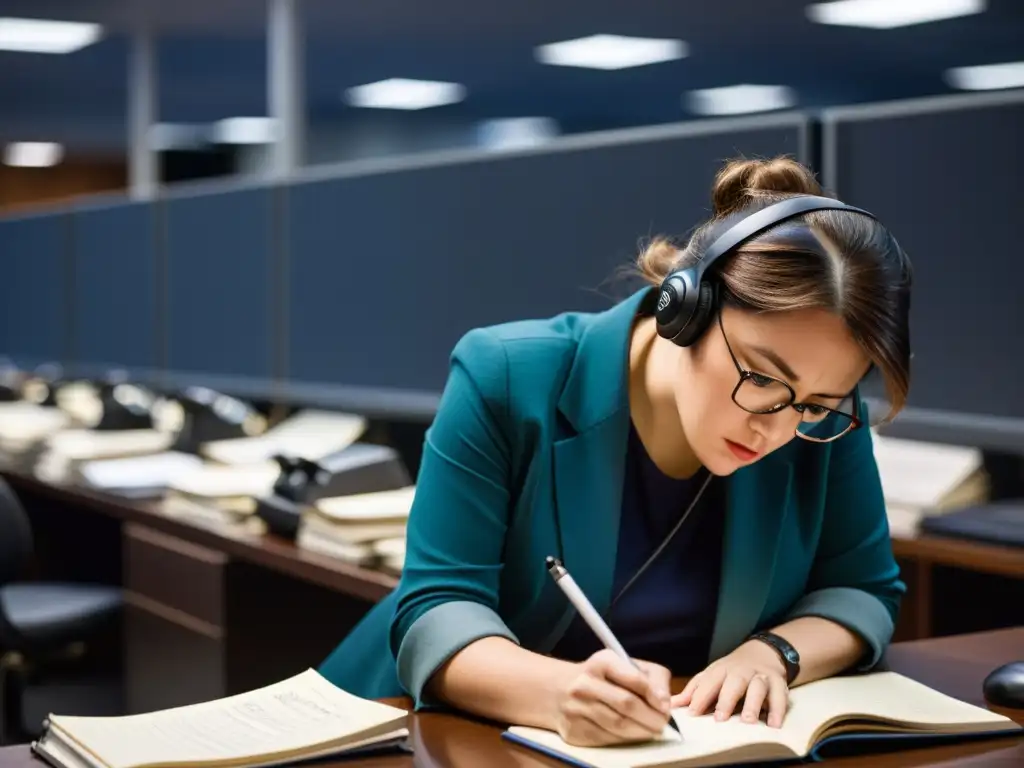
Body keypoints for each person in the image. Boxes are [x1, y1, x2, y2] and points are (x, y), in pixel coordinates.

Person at [319, 155, 912, 747]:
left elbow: (863, 589)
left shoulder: (818, 419)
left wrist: (774, 653)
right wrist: (558, 693)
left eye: (814, 404)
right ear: (687, 308)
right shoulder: (504, 375)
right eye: (760, 378)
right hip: (413, 738)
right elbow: (436, 607)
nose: (777, 429)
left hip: (674, 748)